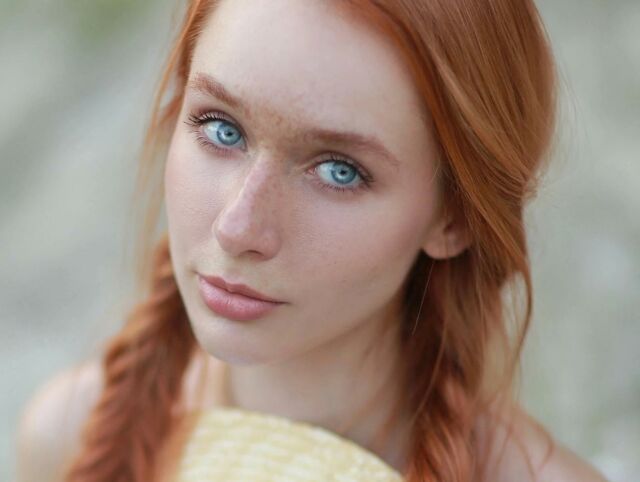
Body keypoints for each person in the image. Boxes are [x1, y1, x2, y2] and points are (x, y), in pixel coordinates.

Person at [16, 0, 609, 481]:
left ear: (454, 219)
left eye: (338, 171)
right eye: (222, 129)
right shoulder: (70, 439)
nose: (237, 228)